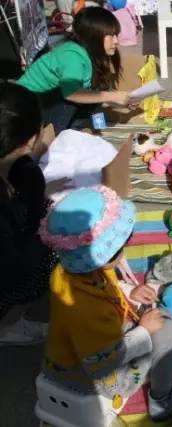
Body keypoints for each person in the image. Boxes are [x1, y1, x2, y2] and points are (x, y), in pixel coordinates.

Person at [40, 186, 172, 421]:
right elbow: (102, 361)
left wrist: (129, 292)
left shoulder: (71, 268)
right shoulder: (87, 309)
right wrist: (143, 332)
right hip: (94, 377)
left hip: (74, 354)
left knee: (159, 318)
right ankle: (162, 400)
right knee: (169, 333)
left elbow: (105, 288)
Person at [0, 82, 58, 346]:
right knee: (58, 249)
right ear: (31, 139)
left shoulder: (24, 171)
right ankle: (7, 325)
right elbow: (12, 264)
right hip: (9, 271)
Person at [17, 7, 131, 135]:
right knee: (77, 97)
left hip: (45, 103)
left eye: (116, 35)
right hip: (24, 108)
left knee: (93, 95)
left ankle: (88, 128)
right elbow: (71, 94)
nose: (116, 41)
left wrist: (122, 101)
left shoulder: (93, 54)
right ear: (94, 36)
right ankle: (60, 136)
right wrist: (112, 96)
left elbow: (98, 94)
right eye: (111, 36)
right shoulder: (73, 56)